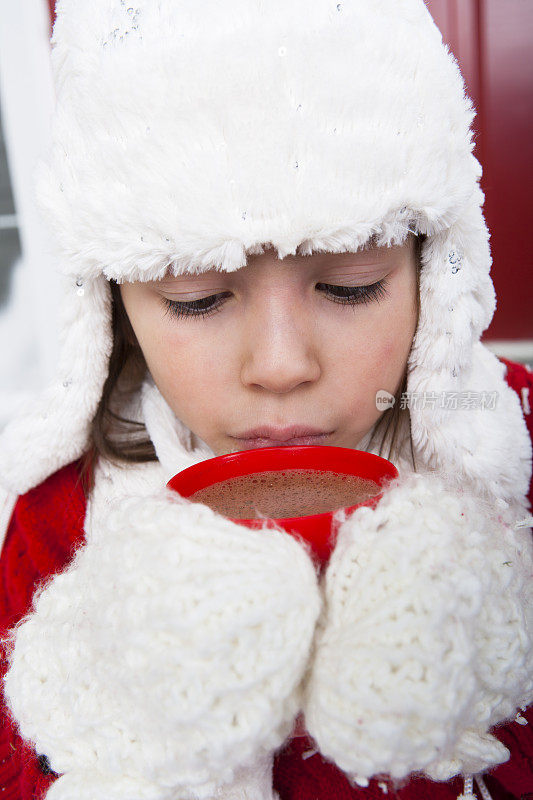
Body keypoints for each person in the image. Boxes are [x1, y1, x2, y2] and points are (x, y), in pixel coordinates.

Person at [0, 0, 532, 798]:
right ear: (114, 306)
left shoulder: (511, 450)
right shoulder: (65, 515)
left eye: (350, 287)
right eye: (197, 299)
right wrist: (114, 700)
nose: (280, 366)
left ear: (433, 267)